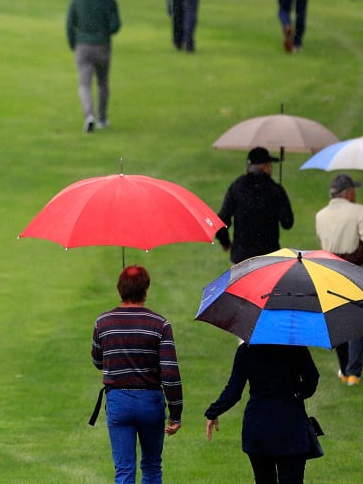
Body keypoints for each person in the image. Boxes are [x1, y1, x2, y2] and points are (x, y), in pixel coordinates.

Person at [91, 265, 183, 484]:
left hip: (118, 401)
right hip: (150, 402)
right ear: (145, 290)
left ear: (119, 289)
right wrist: (176, 412)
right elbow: (170, 372)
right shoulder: (160, 324)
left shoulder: (103, 323)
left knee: (124, 471)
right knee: (151, 467)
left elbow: (97, 360)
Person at [205, 343, 319, 484]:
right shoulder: (296, 348)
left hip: (258, 425)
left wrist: (213, 412)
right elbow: (312, 380)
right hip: (290, 425)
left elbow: (233, 391)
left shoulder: (246, 350)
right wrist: (296, 393)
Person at [315, 173, 363, 386]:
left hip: (330, 271)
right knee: (357, 320)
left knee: (339, 320)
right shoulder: (359, 211)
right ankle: (353, 371)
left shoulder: (320, 215)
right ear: (349, 192)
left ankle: (344, 369)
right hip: (355, 270)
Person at [215, 147, 295, 264]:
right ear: (264, 167)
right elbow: (287, 223)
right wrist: (282, 201)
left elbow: (221, 220)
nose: (271, 168)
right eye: (270, 165)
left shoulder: (237, 187)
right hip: (268, 258)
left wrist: (225, 242)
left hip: (241, 258)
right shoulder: (275, 190)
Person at [66, 0, 120, 133]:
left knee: (84, 84)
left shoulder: (77, 0)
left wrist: (73, 44)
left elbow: (70, 25)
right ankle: (102, 119)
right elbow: (115, 26)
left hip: (83, 46)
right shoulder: (109, 2)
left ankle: (89, 116)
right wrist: (105, 31)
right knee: (102, 84)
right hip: (102, 46)